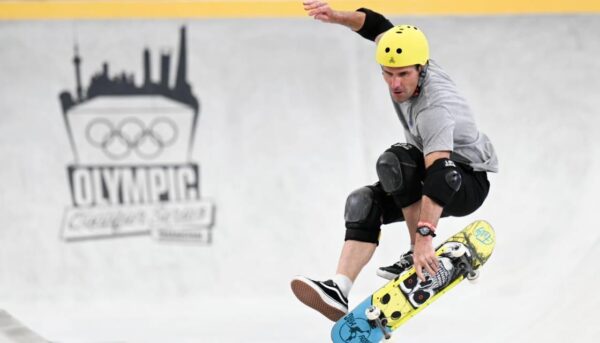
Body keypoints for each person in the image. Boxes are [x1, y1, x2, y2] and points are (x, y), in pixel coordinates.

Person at [291, 1, 499, 322]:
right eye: (388, 75)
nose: (396, 84)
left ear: (422, 68)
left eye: (403, 75)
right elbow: (376, 25)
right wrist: (335, 17)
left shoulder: (435, 107)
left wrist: (424, 240)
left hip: (465, 180)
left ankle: (419, 253)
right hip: (435, 176)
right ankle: (338, 290)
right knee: (364, 202)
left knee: (396, 161)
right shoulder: (403, 53)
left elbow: (441, 175)